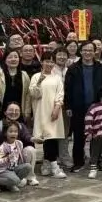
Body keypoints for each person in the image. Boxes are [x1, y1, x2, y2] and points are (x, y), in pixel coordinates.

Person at [64, 42, 102, 173]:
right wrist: (68, 106)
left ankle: (96, 161)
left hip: (97, 107)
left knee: (97, 136)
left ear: (95, 52)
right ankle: (78, 162)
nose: (87, 53)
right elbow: (67, 88)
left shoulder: (101, 68)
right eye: (85, 50)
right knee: (79, 136)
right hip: (78, 107)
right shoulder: (73, 68)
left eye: (90, 50)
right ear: (81, 51)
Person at [29, 51, 66, 179]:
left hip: (54, 111)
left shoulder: (57, 78)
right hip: (41, 111)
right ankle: (53, 166)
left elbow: (60, 94)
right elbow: (34, 94)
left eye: (51, 61)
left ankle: (48, 164)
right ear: (42, 62)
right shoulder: (35, 77)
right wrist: (39, 82)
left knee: (52, 138)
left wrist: (57, 108)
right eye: (47, 61)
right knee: (47, 138)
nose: (49, 64)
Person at [0, 122, 33, 192]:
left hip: (13, 168)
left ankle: (10, 185)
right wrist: (7, 159)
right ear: (5, 133)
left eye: (15, 131)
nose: (13, 133)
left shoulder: (19, 143)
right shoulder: (2, 147)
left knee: (28, 166)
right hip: (3, 170)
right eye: (10, 131)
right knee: (17, 181)